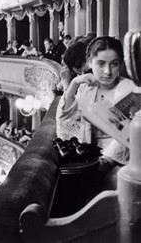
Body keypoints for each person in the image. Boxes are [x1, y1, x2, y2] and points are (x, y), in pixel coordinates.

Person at [56, 36, 135, 191]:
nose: (107, 71)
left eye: (114, 64)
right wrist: (73, 84)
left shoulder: (128, 89)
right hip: (90, 158)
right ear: (90, 62)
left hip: (121, 160)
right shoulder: (86, 89)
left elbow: (129, 133)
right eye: (100, 64)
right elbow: (65, 123)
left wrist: (106, 161)